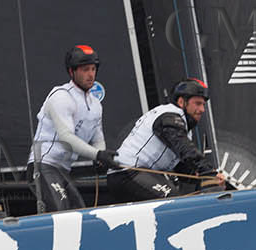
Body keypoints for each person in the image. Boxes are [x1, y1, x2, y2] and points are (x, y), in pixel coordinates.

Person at [26, 44, 117, 213]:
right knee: (63, 214)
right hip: (43, 165)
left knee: (79, 214)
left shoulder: (96, 104)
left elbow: (98, 139)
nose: (91, 74)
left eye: (93, 69)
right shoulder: (61, 96)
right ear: (71, 72)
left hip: (62, 170)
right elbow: (66, 137)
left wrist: (100, 157)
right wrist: (97, 154)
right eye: (85, 70)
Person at [106, 79, 224, 203]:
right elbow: (184, 148)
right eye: (198, 103)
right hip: (127, 174)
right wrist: (208, 172)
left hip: (135, 175)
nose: (202, 109)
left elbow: (179, 165)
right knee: (174, 204)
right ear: (181, 101)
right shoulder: (169, 116)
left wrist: (200, 176)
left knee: (177, 203)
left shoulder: (181, 123)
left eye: (203, 104)